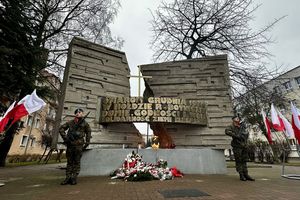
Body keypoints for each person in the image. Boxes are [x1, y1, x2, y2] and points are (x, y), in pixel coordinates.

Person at [59, 108, 91, 185]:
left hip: (79, 145)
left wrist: (87, 141)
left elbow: (88, 132)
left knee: (76, 162)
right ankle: (67, 178)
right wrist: (66, 138)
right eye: (76, 112)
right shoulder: (70, 122)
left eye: (79, 112)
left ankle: (74, 178)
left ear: (82, 113)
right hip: (70, 145)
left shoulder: (85, 123)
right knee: (69, 162)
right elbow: (61, 129)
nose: (78, 113)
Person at [225, 116, 255, 181]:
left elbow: (246, 133)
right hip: (237, 145)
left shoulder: (242, 126)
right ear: (233, 120)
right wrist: (236, 135)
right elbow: (227, 131)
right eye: (236, 118)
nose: (238, 119)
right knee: (239, 160)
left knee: (244, 160)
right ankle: (241, 174)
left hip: (244, 145)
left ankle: (246, 174)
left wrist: (244, 135)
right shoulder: (231, 126)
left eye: (238, 118)